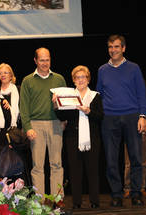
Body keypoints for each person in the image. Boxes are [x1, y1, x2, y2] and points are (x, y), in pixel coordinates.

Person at [96, 34, 146, 207]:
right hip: (109, 118)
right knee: (111, 159)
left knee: (135, 158)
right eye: (110, 47)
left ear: (123, 48)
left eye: (117, 47)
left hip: (132, 116)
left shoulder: (134, 68)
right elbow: (99, 95)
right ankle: (116, 194)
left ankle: (136, 193)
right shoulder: (102, 70)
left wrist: (142, 116)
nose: (113, 50)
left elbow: (141, 93)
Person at [20, 47, 66, 199]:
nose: (45, 63)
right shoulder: (28, 81)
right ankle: (38, 201)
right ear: (35, 61)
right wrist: (28, 127)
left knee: (57, 164)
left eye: (47, 59)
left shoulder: (59, 79)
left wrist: (64, 120)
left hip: (55, 124)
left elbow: (66, 103)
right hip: (36, 125)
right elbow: (24, 107)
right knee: (38, 166)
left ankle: (57, 199)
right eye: (42, 60)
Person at [54, 65, 103, 209]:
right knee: (75, 171)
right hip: (72, 137)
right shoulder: (69, 96)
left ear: (88, 79)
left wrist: (88, 111)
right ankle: (76, 202)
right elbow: (62, 115)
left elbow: (100, 116)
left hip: (92, 138)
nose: (80, 80)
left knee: (93, 170)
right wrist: (56, 104)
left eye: (83, 77)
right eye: (77, 77)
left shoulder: (95, 96)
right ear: (74, 80)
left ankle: (95, 201)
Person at [123, 129, 146, 198]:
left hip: (145, 130)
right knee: (129, 162)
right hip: (131, 129)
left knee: (144, 162)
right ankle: (128, 188)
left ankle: (141, 188)